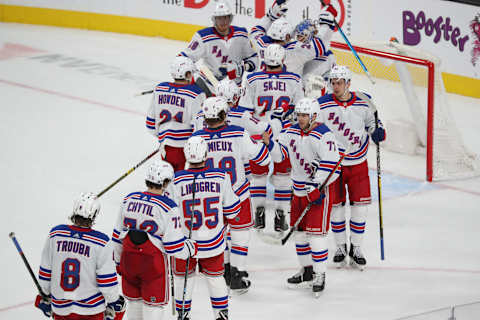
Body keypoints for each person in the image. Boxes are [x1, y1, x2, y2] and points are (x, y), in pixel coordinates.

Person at [192, 97, 272, 293]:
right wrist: (263, 144)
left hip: (211, 196)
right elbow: (263, 159)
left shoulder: (197, 138)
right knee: (240, 235)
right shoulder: (238, 133)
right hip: (237, 194)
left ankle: (224, 269)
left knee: (219, 233)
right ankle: (238, 273)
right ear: (223, 114)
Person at [316, 65, 386, 270]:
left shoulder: (365, 101)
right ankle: (340, 247)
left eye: (339, 83)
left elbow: (374, 124)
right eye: (333, 82)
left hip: (358, 163)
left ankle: (356, 248)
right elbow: (315, 129)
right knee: (336, 208)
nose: (335, 86)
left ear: (348, 83)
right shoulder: (322, 104)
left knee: (360, 209)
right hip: (333, 164)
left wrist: (377, 132)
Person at [111, 160, 198, 320]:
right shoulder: (169, 207)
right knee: (153, 308)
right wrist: (190, 249)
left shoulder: (129, 199)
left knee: (134, 305)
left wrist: (117, 262)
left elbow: (117, 237)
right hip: (152, 267)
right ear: (165, 182)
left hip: (128, 262)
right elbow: (174, 248)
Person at [270, 98, 340, 297]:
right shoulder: (290, 131)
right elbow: (279, 156)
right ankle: (307, 271)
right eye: (299, 115)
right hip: (298, 191)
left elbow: (333, 166)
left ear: (314, 116)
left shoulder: (325, 135)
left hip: (319, 192)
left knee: (316, 236)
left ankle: (320, 275)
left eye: (304, 115)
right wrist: (269, 143)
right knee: (300, 235)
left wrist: (315, 186)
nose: (300, 119)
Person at [171, 136, 241, 320]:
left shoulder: (175, 181)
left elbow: (169, 215)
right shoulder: (221, 176)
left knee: (182, 279)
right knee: (216, 278)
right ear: (205, 155)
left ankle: (183, 314)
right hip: (213, 242)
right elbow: (233, 211)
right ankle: (221, 315)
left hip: (184, 244)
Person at [243, 43, 304, 233]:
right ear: (282, 60)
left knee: (258, 176)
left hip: (260, 133)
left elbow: (245, 111)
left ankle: (259, 215)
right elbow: (299, 107)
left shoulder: (252, 79)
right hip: (284, 135)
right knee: (283, 177)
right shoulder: (294, 79)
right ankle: (280, 217)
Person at [35, 192, 126, 320]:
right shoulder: (101, 242)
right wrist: (113, 301)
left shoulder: (56, 234)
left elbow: (45, 271)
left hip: (61, 309)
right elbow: (107, 282)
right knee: (120, 307)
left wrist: (44, 294)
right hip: (91, 311)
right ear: (94, 215)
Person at [178, 1, 257, 95]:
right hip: (210, 85)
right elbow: (183, 58)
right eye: (219, 18)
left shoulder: (242, 35)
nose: (223, 22)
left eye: (225, 18)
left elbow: (254, 57)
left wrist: (243, 67)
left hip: (234, 89)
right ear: (214, 20)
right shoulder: (203, 36)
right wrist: (190, 72)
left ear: (230, 18)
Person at [146, 56, 206, 172]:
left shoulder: (160, 89)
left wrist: (165, 138)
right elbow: (198, 127)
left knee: (168, 180)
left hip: (165, 146)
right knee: (181, 183)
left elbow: (150, 123)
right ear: (188, 73)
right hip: (185, 148)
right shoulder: (195, 94)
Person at [249, 0, 337, 77]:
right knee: (328, 56)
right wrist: (327, 21)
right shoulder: (295, 52)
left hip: (264, 88)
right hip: (291, 92)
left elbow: (256, 31)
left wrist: (272, 15)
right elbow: (320, 45)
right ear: (287, 37)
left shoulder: (261, 44)